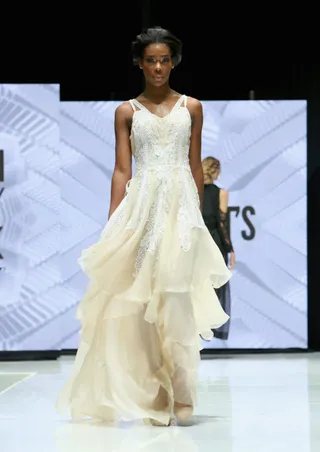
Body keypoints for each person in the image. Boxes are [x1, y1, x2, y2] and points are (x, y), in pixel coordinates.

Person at [56, 26, 231, 427]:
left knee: (178, 300)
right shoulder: (125, 112)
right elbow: (122, 170)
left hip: (182, 212)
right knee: (141, 304)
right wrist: (114, 222)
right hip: (142, 210)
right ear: (139, 62)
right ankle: (155, 394)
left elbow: (194, 165)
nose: (157, 67)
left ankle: (183, 390)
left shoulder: (193, 107)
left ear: (174, 62)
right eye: (150, 60)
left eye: (164, 59)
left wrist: (200, 218)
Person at [202, 157, 236, 341]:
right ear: (216, 172)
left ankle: (194, 331)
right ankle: (208, 329)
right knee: (214, 286)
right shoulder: (221, 193)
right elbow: (222, 223)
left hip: (196, 242)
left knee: (194, 285)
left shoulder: (193, 191)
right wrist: (230, 249)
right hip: (214, 243)